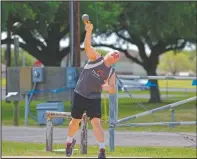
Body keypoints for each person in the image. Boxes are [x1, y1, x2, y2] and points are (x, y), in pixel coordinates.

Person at [65, 21, 120, 158]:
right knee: (75, 121)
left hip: (94, 97)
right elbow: (87, 46)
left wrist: (109, 87)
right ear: (108, 54)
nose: (115, 55)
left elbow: (113, 89)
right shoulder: (96, 57)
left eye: (117, 56)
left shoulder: (111, 72)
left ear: (115, 61)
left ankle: (102, 150)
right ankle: (69, 141)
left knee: (96, 122)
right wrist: (89, 31)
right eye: (114, 53)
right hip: (80, 93)